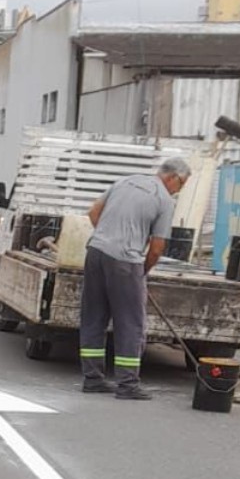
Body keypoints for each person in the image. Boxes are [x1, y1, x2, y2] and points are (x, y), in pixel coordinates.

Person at [79, 156, 190, 400]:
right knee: (130, 323)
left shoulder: (125, 182)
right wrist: (141, 271)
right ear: (173, 178)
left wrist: (108, 236)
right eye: (180, 185)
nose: (178, 191)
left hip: (95, 253)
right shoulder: (163, 200)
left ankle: (92, 379)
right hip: (125, 262)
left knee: (93, 317)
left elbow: (93, 211)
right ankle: (127, 385)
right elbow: (157, 248)